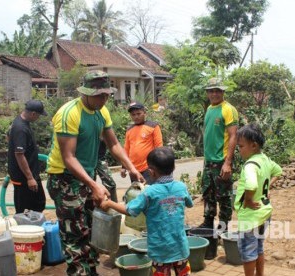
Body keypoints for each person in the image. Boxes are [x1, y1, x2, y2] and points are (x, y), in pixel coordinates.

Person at [46, 70, 144, 276]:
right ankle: (79, 272)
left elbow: (114, 143)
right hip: (64, 179)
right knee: (75, 236)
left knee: (91, 229)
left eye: (107, 94)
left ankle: (90, 271)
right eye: (100, 95)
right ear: (87, 92)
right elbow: (69, 158)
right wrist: (94, 185)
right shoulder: (69, 113)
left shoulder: (102, 111)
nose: (104, 99)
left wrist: (131, 167)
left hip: (86, 177)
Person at [101, 147, 193, 276]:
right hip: (180, 247)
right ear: (174, 168)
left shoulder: (149, 193)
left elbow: (129, 210)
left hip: (160, 251)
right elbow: (189, 203)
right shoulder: (181, 187)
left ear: (151, 171)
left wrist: (109, 203)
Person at [234, 124, 282, 276]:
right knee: (258, 248)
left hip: (250, 217)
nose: (239, 150)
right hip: (264, 213)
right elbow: (278, 171)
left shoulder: (250, 165)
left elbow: (252, 184)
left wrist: (247, 199)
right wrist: (267, 189)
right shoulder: (265, 159)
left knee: (248, 253)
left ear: (253, 145)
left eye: (241, 146)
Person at [199, 77, 238, 230]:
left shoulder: (228, 109)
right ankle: (208, 223)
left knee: (224, 197)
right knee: (208, 194)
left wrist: (228, 162)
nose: (214, 94)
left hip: (222, 161)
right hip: (209, 161)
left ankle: (223, 228)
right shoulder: (209, 108)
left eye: (217, 90)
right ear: (207, 93)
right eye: (211, 91)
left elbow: (234, 135)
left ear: (223, 92)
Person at [7, 99, 47, 214]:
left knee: (38, 203)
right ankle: (25, 230)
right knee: (25, 209)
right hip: (24, 178)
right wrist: (29, 178)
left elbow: (8, 136)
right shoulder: (21, 128)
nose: (38, 118)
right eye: (38, 115)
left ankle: (33, 228)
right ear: (33, 113)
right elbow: (19, 154)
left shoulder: (19, 121)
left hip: (29, 174)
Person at [121, 102, 163, 184]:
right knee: (137, 192)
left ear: (144, 112)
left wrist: (157, 166)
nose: (136, 116)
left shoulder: (153, 126)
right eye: (133, 115)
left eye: (138, 113)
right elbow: (126, 149)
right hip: (133, 169)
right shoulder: (129, 130)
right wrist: (124, 167)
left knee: (149, 192)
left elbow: (159, 147)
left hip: (149, 168)